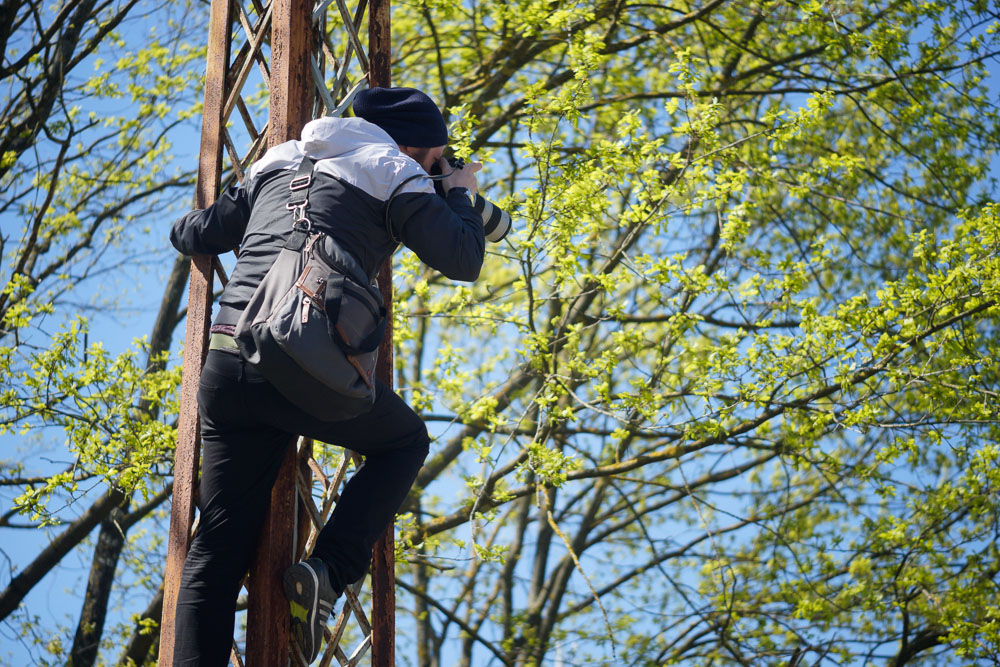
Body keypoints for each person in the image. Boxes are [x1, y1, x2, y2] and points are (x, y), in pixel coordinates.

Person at [168, 86, 485, 665]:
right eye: (436, 156)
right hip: (304, 365)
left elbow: (195, 233)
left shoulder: (281, 158)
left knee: (211, 559)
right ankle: (329, 571)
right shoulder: (392, 168)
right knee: (405, 441)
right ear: (416, 147)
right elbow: (463, 256)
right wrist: (458, 195)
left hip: (229, 365)